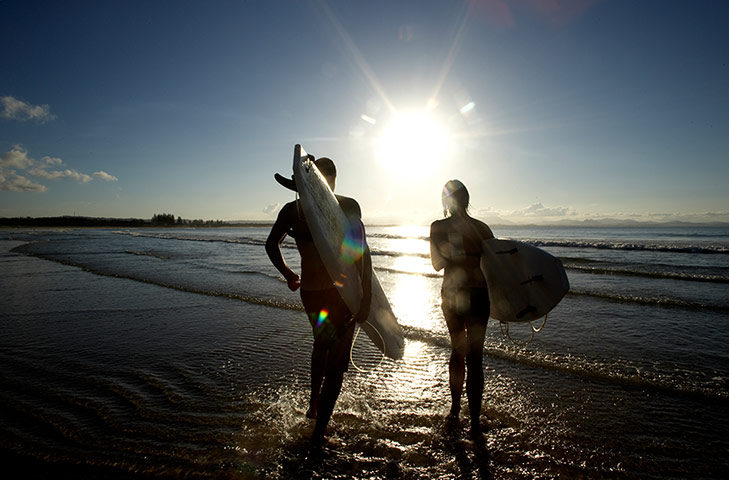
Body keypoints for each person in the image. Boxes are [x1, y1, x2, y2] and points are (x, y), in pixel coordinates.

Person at [265, 156, 372, 444]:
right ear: (333, 180)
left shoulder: (292, 211)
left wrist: (289, 274)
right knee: (336, 363)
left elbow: (270, 244)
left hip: (312, 294)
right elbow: (361, 252)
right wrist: (365, 295)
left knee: (321, 345)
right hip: (341, 295)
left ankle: (314, 406)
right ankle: (320, 431)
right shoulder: (347, 206)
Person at [429, 179, 494, 438]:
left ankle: (456, 411)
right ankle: (473, 422)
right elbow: (495, 268)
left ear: (447, 201)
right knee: (474, 357)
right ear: (466, 199)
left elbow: (436, 264)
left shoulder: (438, 227)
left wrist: (455, 253)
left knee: (459, 352)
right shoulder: (483, 228)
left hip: (454, 297)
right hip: (478, 297)